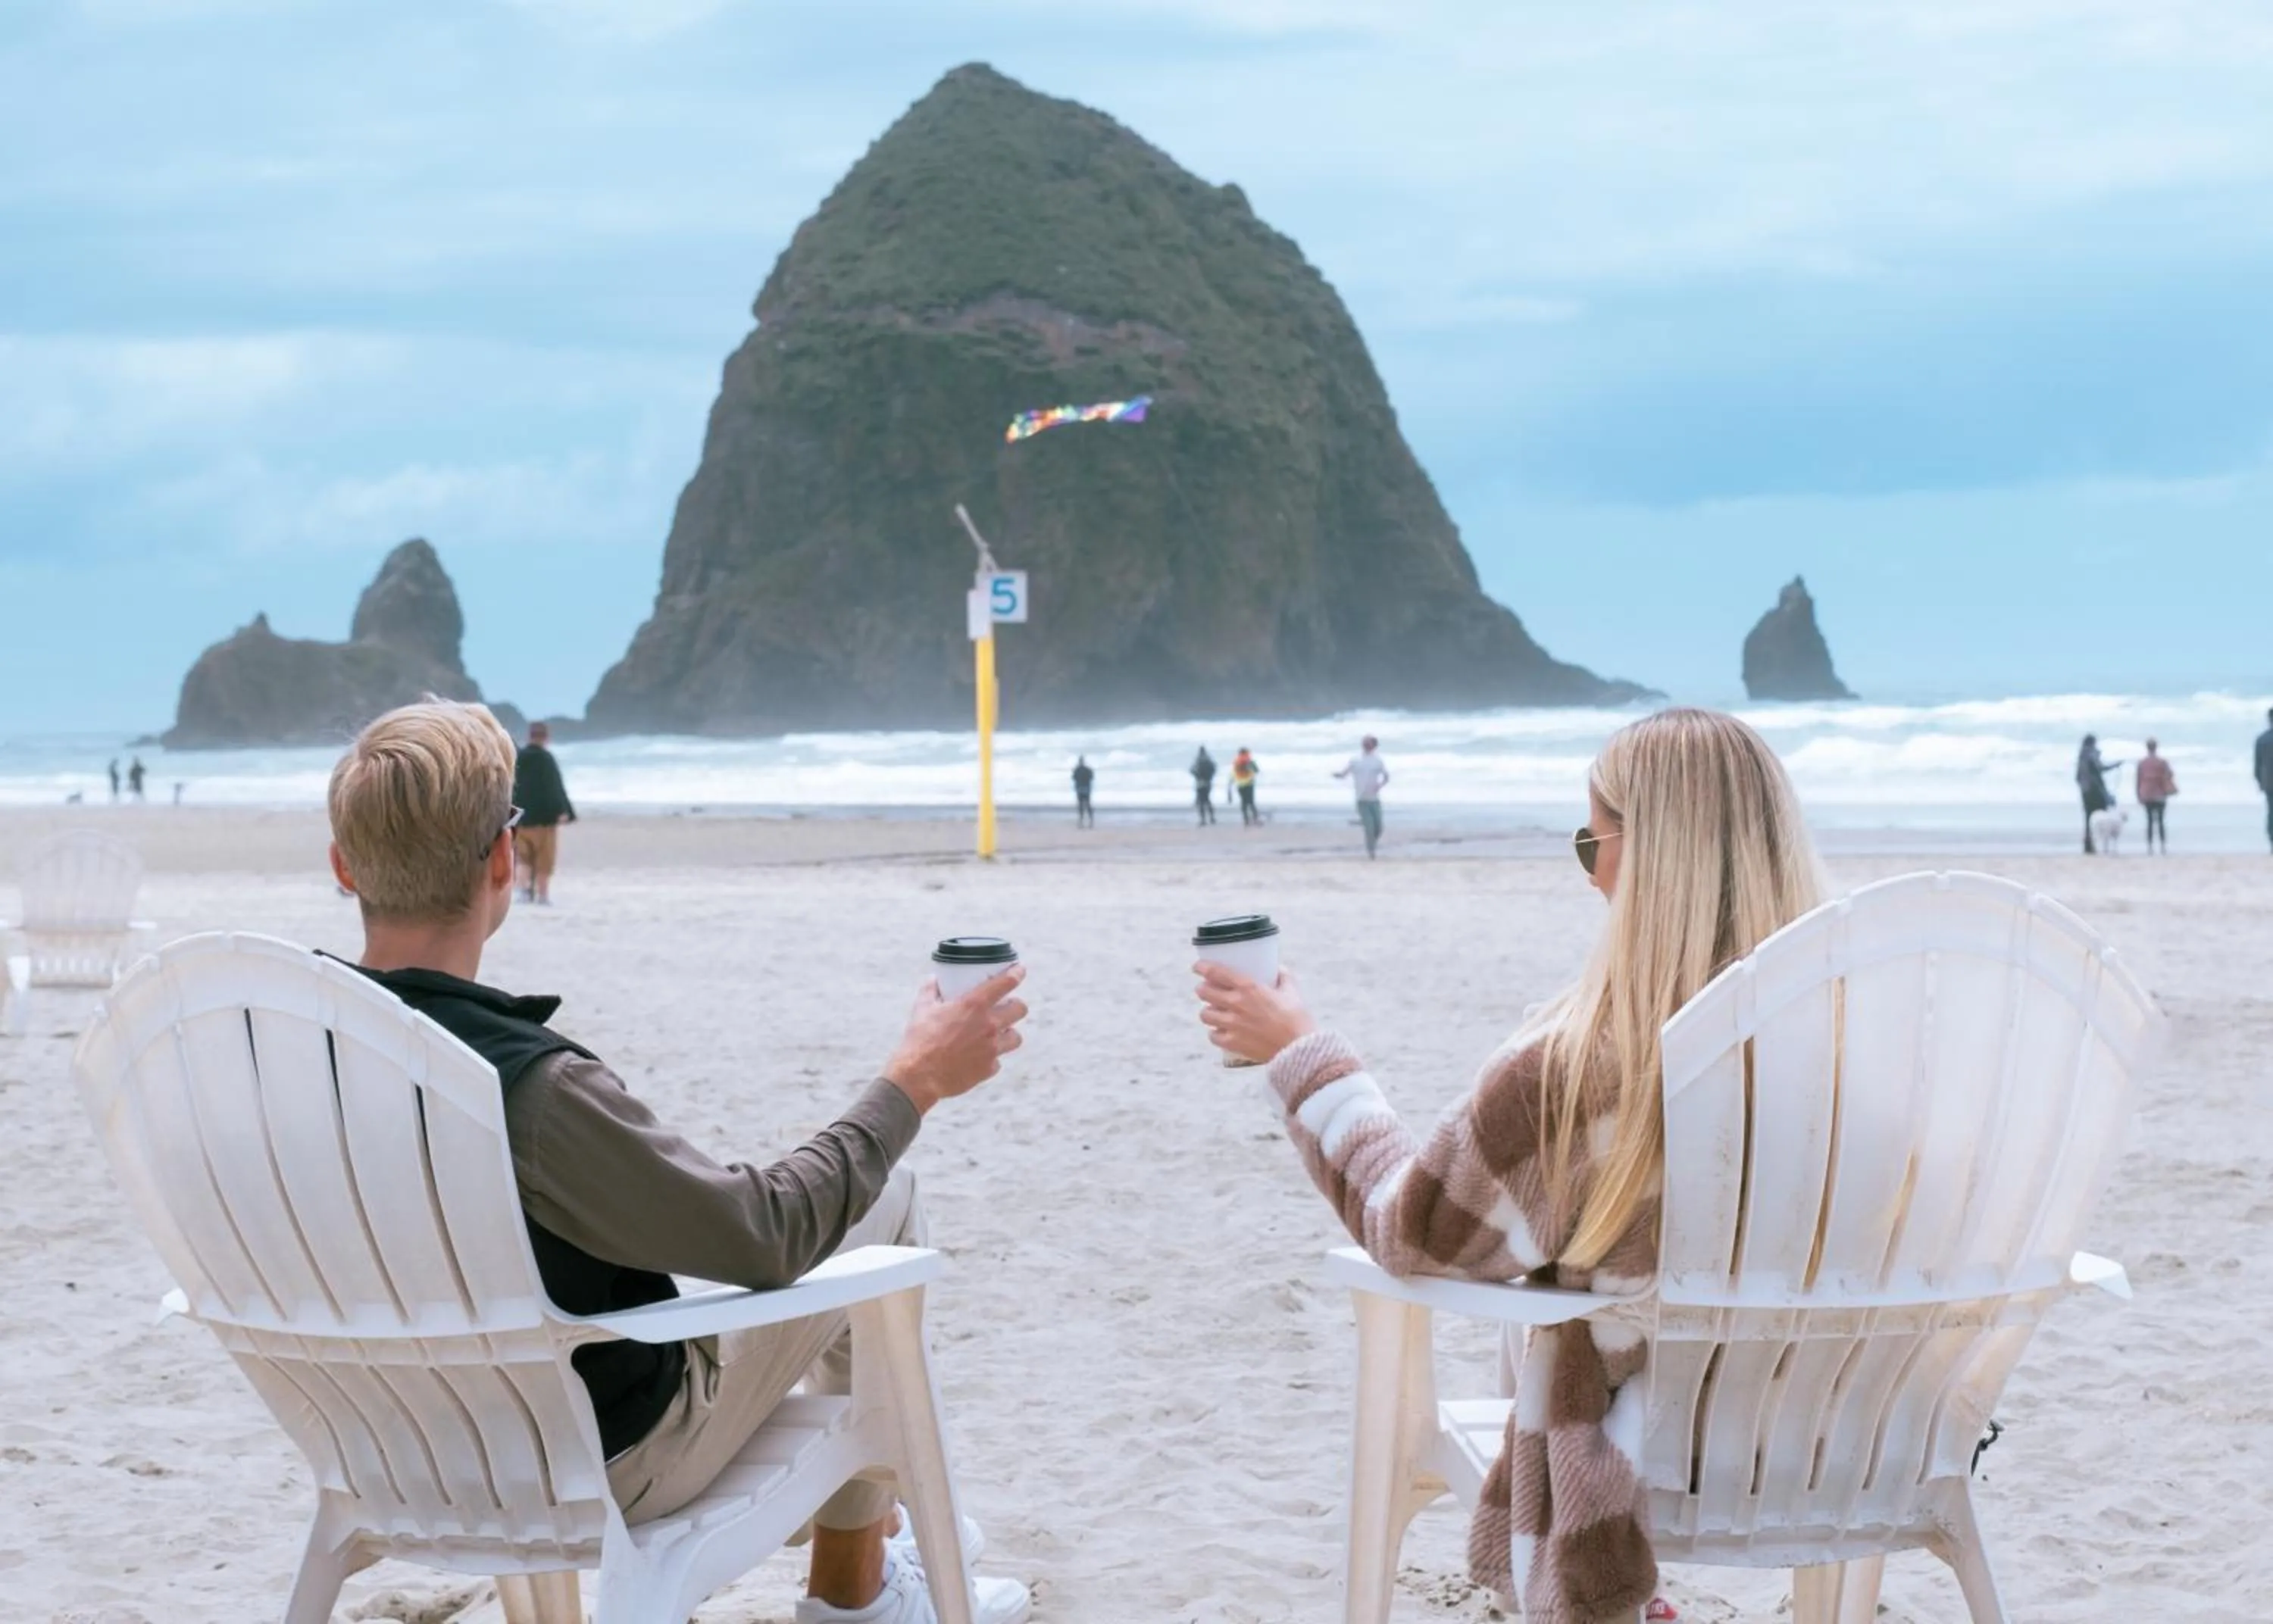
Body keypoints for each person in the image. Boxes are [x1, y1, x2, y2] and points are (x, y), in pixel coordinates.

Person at [324, 701, 1031, 1624]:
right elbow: (764, 1234)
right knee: (881, 1203)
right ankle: (853, 1591)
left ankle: (889, 1518)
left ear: (343, 866)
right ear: (503, 859)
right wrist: (912, 1082)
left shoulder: (285, 1052)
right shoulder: (524, 1087)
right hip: (598, 1461)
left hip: (390, 1445)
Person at [1193, 707, 1824, 1622]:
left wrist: (1304, 1056)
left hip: (1647, 1457)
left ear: (1643, 862)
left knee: (1544, 1295)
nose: (1592, 873)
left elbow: (1412, 1231)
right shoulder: (1853, 1048)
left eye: (1590, 843)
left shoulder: (1573, 1077)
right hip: (1829, 1438)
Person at [511, 721, 577, 904]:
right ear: (546, 738)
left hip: (521, 819)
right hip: (545, 821)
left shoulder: (518, 758)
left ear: (529, 736)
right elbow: (555, 788)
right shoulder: (547, 759)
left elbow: (510, 787)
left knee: (523, 859)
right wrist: (566, 812)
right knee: (544, 861)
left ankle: (524, 893)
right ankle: (542, 896)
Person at [1333, 735, 1389, 857]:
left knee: (1379, 828)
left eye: (1369, 744)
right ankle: (1371, 851)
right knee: (1370, 828)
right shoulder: (1356, 760)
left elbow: (1386, 777)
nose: (1366, 746)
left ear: (1374, 746)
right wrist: (1338, 775)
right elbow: (1345, 773)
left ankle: (1364, 823)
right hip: (1361, 799)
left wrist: (1379, 785)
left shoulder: (1378, 761)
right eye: (1364, 744)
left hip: (1374, 800)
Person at [2074, 735, 2120, 854]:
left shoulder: (2081, 757)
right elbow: (2100, 768)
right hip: (2096, 792)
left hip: (2086, 792)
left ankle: (2088, 845)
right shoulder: (2092, 754)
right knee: (2103, 817)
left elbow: (2077, 777)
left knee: (2089, 819)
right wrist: (2115, 766)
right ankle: (2104, 845)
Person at [2134, 739, 2176, 854]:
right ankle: (2162, 846)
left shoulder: (2142, 763)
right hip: (2160, 794)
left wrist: (2138, 794)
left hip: (2147, 794)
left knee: (2149, 821)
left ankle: (2150, 847)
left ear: (2147, 748)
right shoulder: (2162, 762)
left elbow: (2138, 780)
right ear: (2156, 747)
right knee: (2161, 821)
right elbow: (2170, 774)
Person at [1230, 748, 1261, 826]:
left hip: (1240, 784)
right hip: (1249, 784)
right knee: (1251, 802)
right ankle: (1255, 819)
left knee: (1243, 803)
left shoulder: (1236, 762)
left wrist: (1231, 784)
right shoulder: (1249, 761)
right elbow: (1257, 770)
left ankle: (1246, 820)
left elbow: (1233, 773)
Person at [2256, 708, 2273, 854]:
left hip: (2269, 782)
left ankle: (2272, 842)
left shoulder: (2262, 739)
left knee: (2271, 813)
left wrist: (2259, 781)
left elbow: (2257, 764)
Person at [1190, 746, 1218, 826]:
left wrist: (1197, 776)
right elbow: (1214, 769)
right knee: (1208, 801)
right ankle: (1212, 818)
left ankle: (1203, 820)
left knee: (1201, 802)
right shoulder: (1209, 760)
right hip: (1208, 783)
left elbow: (1192, 770)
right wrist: (1210, 778)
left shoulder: (1198, 760)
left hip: (1200, 783)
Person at [1071, 756, 1095, 828]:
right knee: (1087, 805)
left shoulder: (1077, 770)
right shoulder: (1087, 770)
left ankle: (1081, 822)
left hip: (1080, 789)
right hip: (1086, 789)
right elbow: (1092, 777)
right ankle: (1090, 821)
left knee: (1081, 806)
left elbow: (1074, 778)